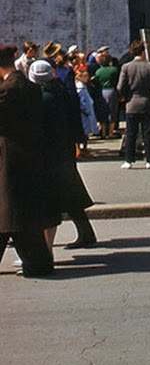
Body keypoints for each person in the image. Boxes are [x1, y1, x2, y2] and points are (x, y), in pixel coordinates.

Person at [29, 59, 97, 250]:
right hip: (64, 149)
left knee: (59, 195)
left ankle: (79, 234)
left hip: (52, 154)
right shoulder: (61, 91)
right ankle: (86, 232)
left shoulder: (44, 98)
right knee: (70, 193)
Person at [0, 44, 54, 277]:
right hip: (30, 155)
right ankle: (39, 261)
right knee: (18, 213)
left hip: (9, 157)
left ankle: (39, 262)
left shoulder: (6, 90)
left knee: (11, 211)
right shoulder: (30, 88)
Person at [117, 40, 150, 169]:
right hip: (146, 104)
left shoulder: (126, 67)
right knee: (148, 133)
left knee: (131, 133)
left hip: (131, 104)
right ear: (143, 52)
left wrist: (126, 97)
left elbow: (120, 87)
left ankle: (128, 160)